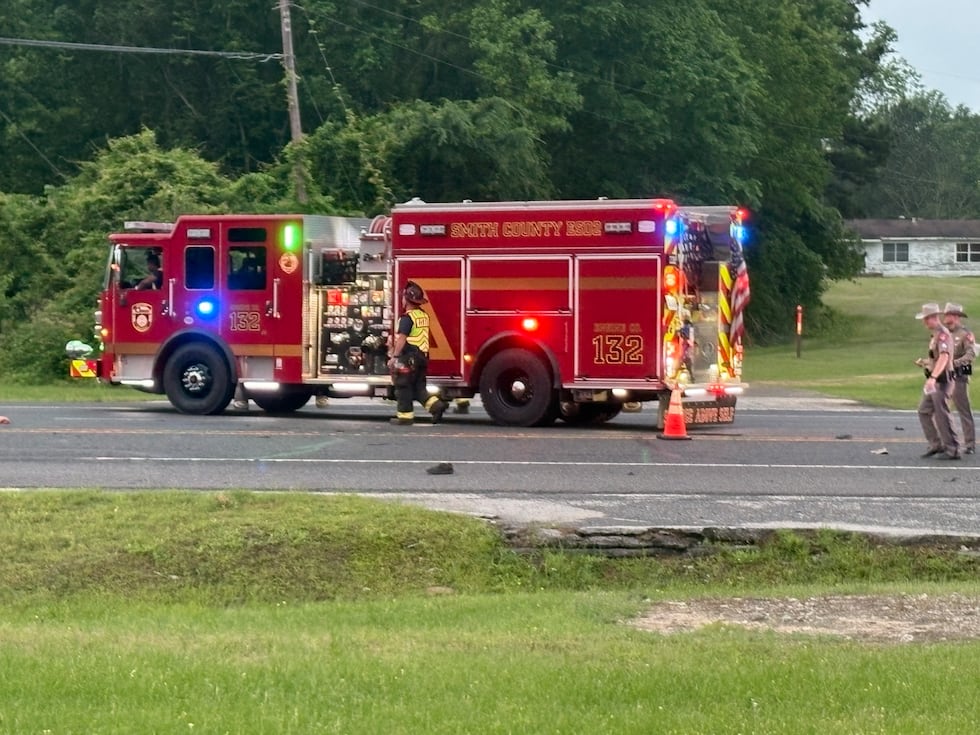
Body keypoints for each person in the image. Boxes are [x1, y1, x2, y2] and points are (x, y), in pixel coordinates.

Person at [388, 281, 448, 425]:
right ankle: (436, 407)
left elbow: (402, 339)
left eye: (403, 298)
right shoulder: (423, 315)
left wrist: (394, 357)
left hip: (409, 357)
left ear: (407, 300)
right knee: (419, 387)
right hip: (422, 357)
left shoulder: (406, 318)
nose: (402, 300)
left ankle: (405, 417)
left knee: (403, 386)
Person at [914, 302, 959, 460]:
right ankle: (936, 444)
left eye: (926, 319)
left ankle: (952, 449)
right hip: (935, 381)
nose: (924, 322)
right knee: (923, 410)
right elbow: (937, 357)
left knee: (942, 415)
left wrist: (933, 377)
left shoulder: (942, 334)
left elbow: (945, 357)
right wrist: (927, 363)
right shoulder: (934, 335)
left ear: (934, 318)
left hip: (942, 381)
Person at [943, 302, 976, 454]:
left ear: (955, 317)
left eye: (948, 314)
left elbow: (971, 354)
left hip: (958, 376)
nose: (945, 317)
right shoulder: (943, 334)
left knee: (963, 410)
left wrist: (954, 363)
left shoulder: (965, 334)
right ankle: (948, 442)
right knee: (942, 410)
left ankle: (969, 444)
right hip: (943, 377)